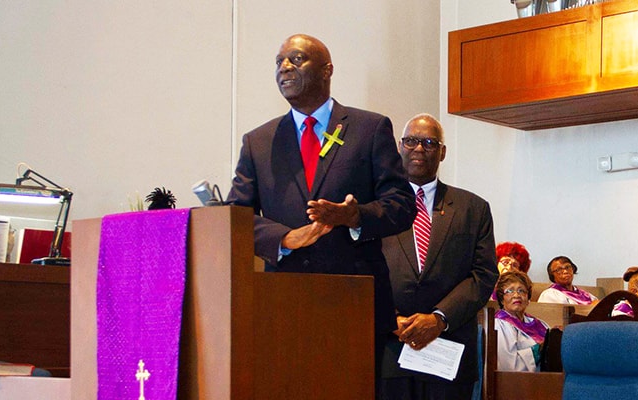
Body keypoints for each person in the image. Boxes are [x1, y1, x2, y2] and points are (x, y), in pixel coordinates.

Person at [226, 33, 414, 384]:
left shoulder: (370, 129)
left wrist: (355, 217)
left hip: (355, 299)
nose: (284, 67)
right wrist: (286, 238)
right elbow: (236, 216)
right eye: (279, 61)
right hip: (283, 302)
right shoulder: (259, 141)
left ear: (327, 69)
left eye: (296, 60)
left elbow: (402, 205)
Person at [379, 114, 498, 399]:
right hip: (389, 351)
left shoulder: (474, 208)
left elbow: (483, 275)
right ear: (399, 147)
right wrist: (388, 318)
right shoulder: (376, 207)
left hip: (448, 351)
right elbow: (360, 269)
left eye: (429, 142)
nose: (419, 149)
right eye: (411, 141)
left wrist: (438, 319)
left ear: (442, 152)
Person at [493, 270, 550, 372]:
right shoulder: (500, 324)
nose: (516, 295)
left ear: (528, 298)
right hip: (519, 383)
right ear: (502, 299)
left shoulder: (540, 324)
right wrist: (538, 350)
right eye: (510, 291)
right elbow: (508, 365)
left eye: (521, 291)